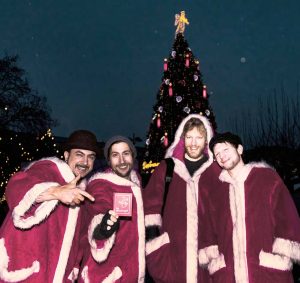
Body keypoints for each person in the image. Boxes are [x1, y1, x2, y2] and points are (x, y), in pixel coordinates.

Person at [198, 132, 300, 283]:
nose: (221, 156)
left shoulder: (266, 178)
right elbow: (208, 230)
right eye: (217, 154)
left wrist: (282, 257)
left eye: (225, 150)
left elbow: (287, 217)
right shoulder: (216, 192)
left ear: (239, 149)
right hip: (228, 275)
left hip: (267, 271)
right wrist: (215, 262)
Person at [0, 129, 99, 283]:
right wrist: (54, 191)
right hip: (24, 271)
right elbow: (16, 186)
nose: (85, 162)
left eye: (90, 157)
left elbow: (80, 243)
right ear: (66, 155)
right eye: (79, 154)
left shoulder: (83, 195)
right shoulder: (47, 169)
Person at [143, 114, 220, 283]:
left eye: (199, 137)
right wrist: (155, 247)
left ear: (206, 140)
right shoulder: (167, 168)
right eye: (189, 137)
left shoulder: (216, 172)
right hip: (171, 255)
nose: (193, 143)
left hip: (207, 261)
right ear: (182, 139)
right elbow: (150, 208)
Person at [78, 136, 145, 282]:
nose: (121, 160)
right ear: (109, 160)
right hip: (105, 274)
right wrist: (102, 229)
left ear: (133, 156)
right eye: (115, 155)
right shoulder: (101, 184)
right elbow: (98, 208)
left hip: (130, 271)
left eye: (125, 153)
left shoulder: (136, 181)